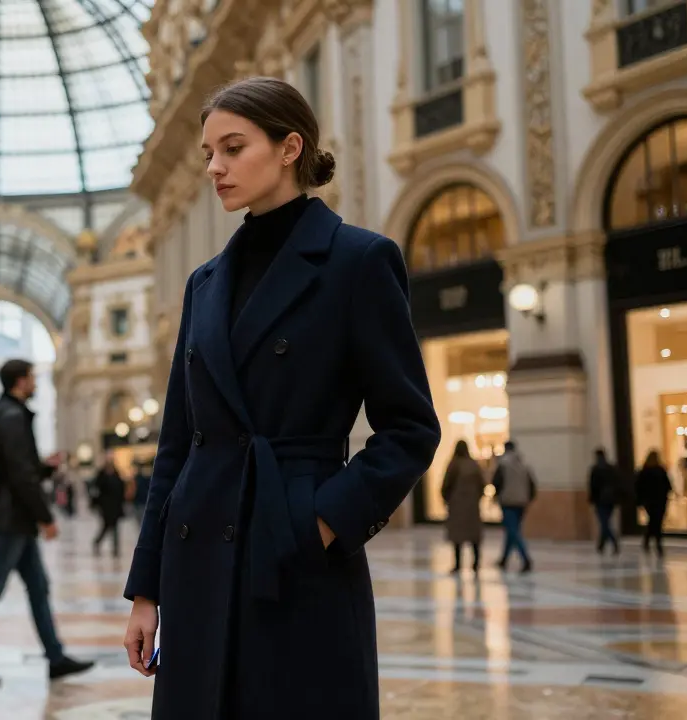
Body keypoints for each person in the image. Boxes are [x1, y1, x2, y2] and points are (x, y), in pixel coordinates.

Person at [120, 77, 441, 719]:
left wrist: (320, 524)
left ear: (290, 146)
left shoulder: (357, 262)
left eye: (234, 148)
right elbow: (177, 446)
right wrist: (146, 592)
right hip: (199, 559)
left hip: (295, 557)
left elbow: (410, 427)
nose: (215, 167)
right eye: (209, 152)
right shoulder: (203, 283)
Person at [0, 359, 95, 685]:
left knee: (38, 587)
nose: (35, 383)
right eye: (32, 377)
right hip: (10, 519)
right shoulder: (13, 416)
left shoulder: (3, 413)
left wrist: (44, 468)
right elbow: (19, 476)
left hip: (12, 517)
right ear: (20, 381)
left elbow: (17, 468)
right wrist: (45, 517)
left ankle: (55, 657)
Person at [441, 440, 487, 574]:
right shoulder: (474, 464)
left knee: (457, 537)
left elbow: (446, 485)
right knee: (474, 536)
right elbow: (482, 484)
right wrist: (476, 498)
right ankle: (476, 563)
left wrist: (447, 499)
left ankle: (457, 564)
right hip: (472, 506)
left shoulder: (454, 464)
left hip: (457, 505)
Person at [492, 440, 537, 573]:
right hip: (521, 502)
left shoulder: (502, 464)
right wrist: (527, 498)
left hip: (508, 501)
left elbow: (496, 482)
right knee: (512, 530)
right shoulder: (523, 464)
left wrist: (498, 496)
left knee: (513, 531)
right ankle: (504, 559)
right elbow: (532, 484)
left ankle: (526, 558)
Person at [636, 450, 672, 557]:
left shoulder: (644, 471)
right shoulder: (660, 470)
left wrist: (640, 501)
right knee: (656, 523)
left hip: (649, 502)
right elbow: (668, 486)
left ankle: (648, 541)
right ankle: (657, 544)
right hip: (660, 501)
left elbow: (638, 488)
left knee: (653, 522)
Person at [90, 454, 126, 558]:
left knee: (115, 527)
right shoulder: (101, 474)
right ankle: (97, 542)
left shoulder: (116, 473)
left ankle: (115, 549)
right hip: (105, 507)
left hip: (115, 506)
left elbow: (121, 488)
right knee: (106, 527)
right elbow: (96, 490)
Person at [588, 448, 621, 555]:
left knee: (604, 523)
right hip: (610, 500)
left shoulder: (595, 469)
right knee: (605, 522)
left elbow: (592, 486)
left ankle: (613, 541)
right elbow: (617, 484)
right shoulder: (611, 468)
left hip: (600, 501)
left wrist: (592, 499)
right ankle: (601, 545)